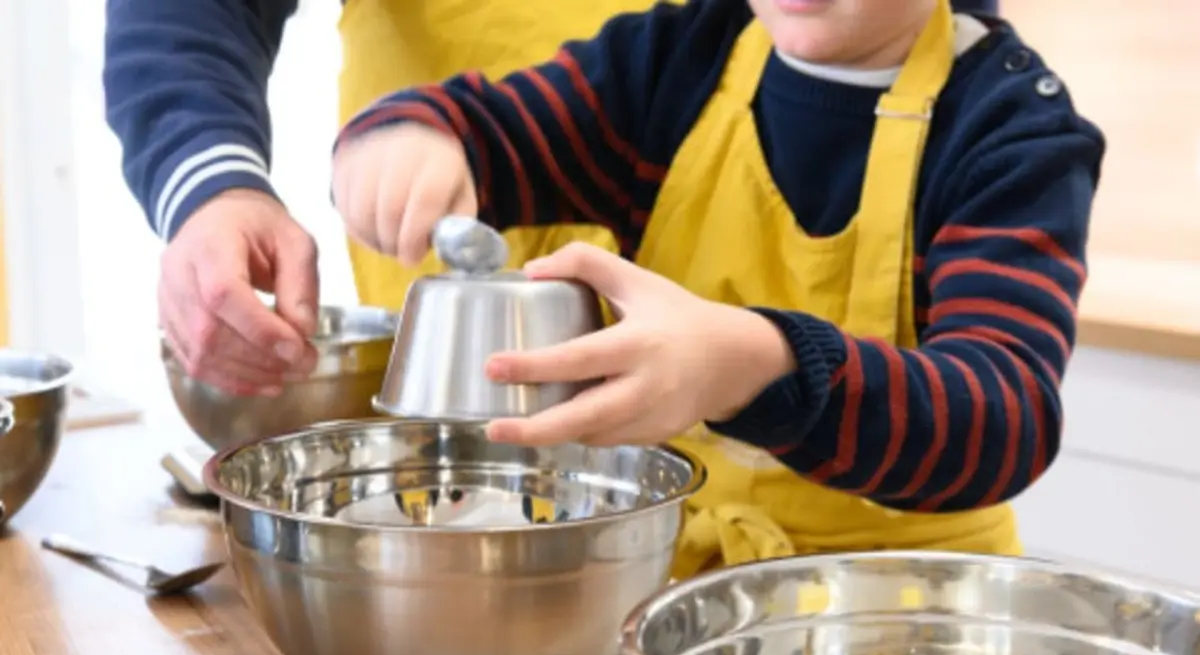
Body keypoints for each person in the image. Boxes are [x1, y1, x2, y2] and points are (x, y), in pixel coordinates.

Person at [329, 0, 1104, 577]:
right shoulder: (676, 61)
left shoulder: (1012, 131)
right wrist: (411, 138)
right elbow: (491, 132)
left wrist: (757, 366)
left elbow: (1003, 418)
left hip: (909, 626)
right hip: (684, 600)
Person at [103, 0, 1000, 398]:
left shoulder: (992, 123)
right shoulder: (651, 71)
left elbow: (992, 404)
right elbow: (495, 123)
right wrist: (213, 181)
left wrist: (764, 364)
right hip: (486, 403)